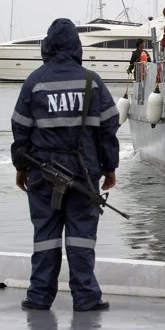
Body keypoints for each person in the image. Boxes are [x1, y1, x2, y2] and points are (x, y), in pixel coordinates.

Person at [11, 18, 120, 311]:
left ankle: (38, 296)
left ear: (47, 45)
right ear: (76, 46)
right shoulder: (92, 82)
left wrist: (21, 168)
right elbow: (109, 128)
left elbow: (20, 129)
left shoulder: (34, 82)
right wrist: (110, 169)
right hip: (84, 173)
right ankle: (85, 297)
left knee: (45, 235)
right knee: (81, 237)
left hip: (42, 173)